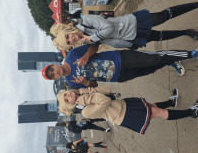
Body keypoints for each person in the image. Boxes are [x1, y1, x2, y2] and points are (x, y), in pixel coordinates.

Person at [52, 2, 198, 51]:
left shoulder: (85, 20)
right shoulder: (85, 40)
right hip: (131, 39)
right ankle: (186, 32)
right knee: (160, 36)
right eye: (69, 42)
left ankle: (195, 5)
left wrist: (92, 37)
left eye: (67, 36)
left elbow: (108, 28)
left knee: (163, 16)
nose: (71, 39)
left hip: (132, 23)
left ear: (68, 30)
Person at [42, 43, 198, 88]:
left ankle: (190, 53)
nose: (55, 72)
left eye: (52, 70)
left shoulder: (71, 56)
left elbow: (94, 46)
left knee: (155, 59)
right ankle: (170, 61)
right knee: (150, 69)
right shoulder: (71, 82)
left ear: (54, 65)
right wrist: (85, 83)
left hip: (120, 59)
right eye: (53, 75)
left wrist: (86, 56)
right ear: (56, 78)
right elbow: (95, 84)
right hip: (118, 77)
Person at [57, 85, 198, 135]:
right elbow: (104, 101)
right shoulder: (85, 111)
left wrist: (88, 90)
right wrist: (86, 98)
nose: (68, 96)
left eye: (66, 94)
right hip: (125, 115)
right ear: (70, 105)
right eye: (67, 100)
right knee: (158, 113)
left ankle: (171, 102)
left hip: (124, 105)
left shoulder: (85, 94)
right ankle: (192, 112)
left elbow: (106, 90)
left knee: (152, 107)